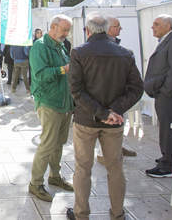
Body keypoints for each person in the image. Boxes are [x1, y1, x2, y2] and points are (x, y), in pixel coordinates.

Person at [66, 13, 144, 220]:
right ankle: (117, 214)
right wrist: (113, 111)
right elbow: (137, 88)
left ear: (87, 30)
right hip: (111, 121)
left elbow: (76, 90)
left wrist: (106, 112)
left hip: (87, 120)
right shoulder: (125, 53)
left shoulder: (79, 52)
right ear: (108, 29)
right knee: (115, 167)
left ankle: (81, 214)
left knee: (83, 168)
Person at [28, 16, 74, 202]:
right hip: (49, 102)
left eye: (68, 31)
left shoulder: (61, 45)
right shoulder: (40, 46)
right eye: (64, 30)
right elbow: (39, 75)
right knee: (47, 144)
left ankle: (55, 176)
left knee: (59, 143)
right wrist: (64, 69)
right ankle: (36, 183)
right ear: (53, 27)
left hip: (64, 103)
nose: (66, 34)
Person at [144, 14, 172, 179]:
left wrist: (165, 91)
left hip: (168, 94)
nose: (152, 27)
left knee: (169, 128)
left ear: (167, 26)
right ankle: (168, 157)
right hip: (163, 93)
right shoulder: (167, 40)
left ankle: (169, 165)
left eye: (156, 24)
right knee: (165, 127)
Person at [95, 16, 137, 165]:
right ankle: (103, 152)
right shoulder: (103, 45)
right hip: (106, 92)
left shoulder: (119, 47)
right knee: (107, 123)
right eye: (117, 26)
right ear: (108, 28)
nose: (120, 28)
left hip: (119, 92)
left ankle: (117, 147)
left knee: (118, 121)